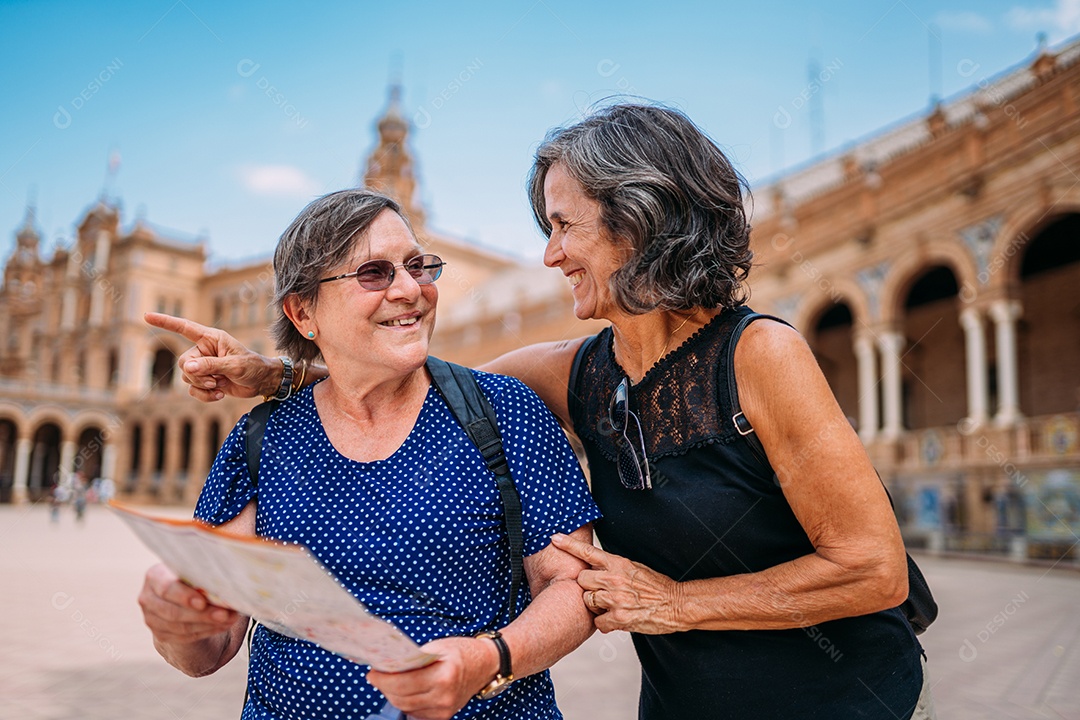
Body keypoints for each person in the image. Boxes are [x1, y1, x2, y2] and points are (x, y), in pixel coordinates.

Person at [153, 104, 935, 719]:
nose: (550, 254)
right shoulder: (573, 372)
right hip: (687, 704)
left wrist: (676, 603)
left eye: (563, 226)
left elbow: (874, 569)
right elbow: (414, 388)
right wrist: (280, 371)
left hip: (843, 699)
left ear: (638, 222)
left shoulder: (759, 355)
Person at [139, 189, 601, 720]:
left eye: (417, 267)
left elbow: (572, 586)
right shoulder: (262, 439)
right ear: (303, 312)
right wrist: (176, 625)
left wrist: (490, 658)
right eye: (374, 273)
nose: (409, 289)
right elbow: (209, 649)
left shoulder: (504, 410)